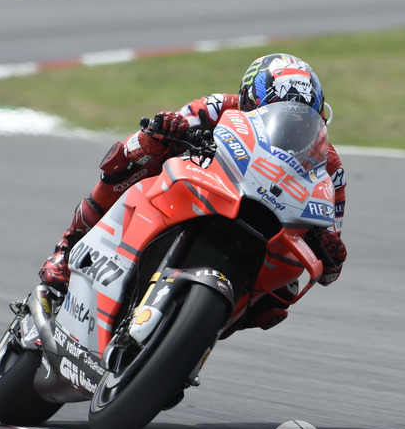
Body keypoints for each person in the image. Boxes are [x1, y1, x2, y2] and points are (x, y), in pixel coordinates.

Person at [39, 53, 348, 333]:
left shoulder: (329, 164)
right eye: (281, 112)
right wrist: (163, 132)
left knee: (285, 291)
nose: (292, 123)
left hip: (267, 221)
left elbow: (331, 251)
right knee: (136, 153)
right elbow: (164, 125)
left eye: (301, 115)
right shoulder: (219, 107)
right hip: (204, 186)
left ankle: (197, 337)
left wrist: (331, 252)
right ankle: (67, 250)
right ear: (250, 101)